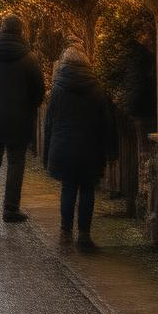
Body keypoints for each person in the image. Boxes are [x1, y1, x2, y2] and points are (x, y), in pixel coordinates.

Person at [0, 15, 45, 226]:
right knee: (16, 161)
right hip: (19, 119)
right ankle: (10, 209)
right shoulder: (29, 58)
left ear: (1, 29)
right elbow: (38, 91)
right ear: (21, 31)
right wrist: (29, 108)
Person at [43, 44, 118, 252]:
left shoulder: (58, 89)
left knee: (68, 188)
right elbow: (106, 123)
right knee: (87, 190)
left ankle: (65, 234)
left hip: (64, 146)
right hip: (89, 147)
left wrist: (47, 152)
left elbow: (49, 122)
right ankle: (84, 236)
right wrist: (112, 151)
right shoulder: (96, 88)